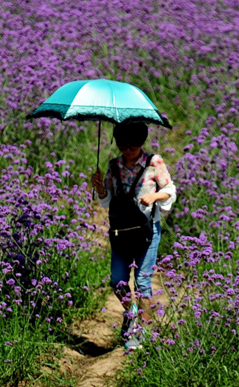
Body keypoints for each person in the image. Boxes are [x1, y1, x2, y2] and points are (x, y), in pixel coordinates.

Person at [89, 121, 176, 351]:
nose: (129, 149)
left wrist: (155, 197)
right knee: (117, 280)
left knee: (143, 283)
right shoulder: (113, 166)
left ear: (142, 142)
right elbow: (106, 200)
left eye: (134, 144)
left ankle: (140, 336)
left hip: (147, 230)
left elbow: (170, 190)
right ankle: (132, 314)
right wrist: (99, 187)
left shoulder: (153, 162)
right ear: (118, 144)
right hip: (120, 230)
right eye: (124, 144)